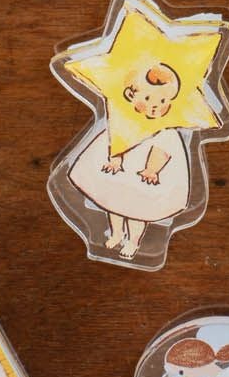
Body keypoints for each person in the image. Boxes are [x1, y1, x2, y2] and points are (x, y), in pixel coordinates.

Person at [66, 62, 190, 260]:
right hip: (121, 173)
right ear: (131, 95)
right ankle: (116, 234)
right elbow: (117, 141)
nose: (155, 106)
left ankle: (133, 241)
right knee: (113, 204)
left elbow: (162, 151)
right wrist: (115, 159)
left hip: (143, 178)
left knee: (136, 212)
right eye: (147, 98)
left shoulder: (166, 130)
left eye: (163, 100)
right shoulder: (125, 120)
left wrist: (151, 170)